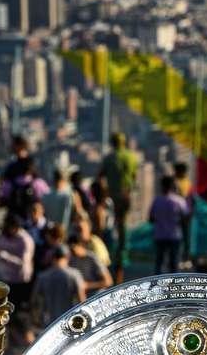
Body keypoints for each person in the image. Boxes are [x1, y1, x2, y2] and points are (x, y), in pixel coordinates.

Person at [95, 133, 138, 278]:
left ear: (113, 143)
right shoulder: (131, 157)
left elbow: (100, 176)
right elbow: (134, 177)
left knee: (108, 226)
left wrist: (105, 192)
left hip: (112, 198)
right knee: (122, 227)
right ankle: (121, 259)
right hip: (126, 196)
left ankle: (109, 258)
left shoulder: (109, 158)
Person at [32, 245, 86, 325]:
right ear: (68, 257)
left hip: (49, 322)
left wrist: (35, 317)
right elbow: (81, 298)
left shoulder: (43, 276)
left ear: (53, 258)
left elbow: (34, 300)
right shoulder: (75, 274)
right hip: (70, 320)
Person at [0, 215, 36, 311]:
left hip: (18, 282)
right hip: (3, 279)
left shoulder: (26, 241)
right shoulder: (4, 235)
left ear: (15, 227)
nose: (4, 228)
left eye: (7, 226)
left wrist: (1, 254)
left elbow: (23, 264)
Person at [149, 175, 190, 275]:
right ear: (173, 186)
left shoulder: (157, 200)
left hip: (160, 235)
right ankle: (173, 287)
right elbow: (186, 217)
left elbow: (151, 219)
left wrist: (161, 220)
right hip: (174, 236)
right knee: (174, 264)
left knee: (159, 263)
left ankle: (156, 285)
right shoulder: (180, 201)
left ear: (162, 186)